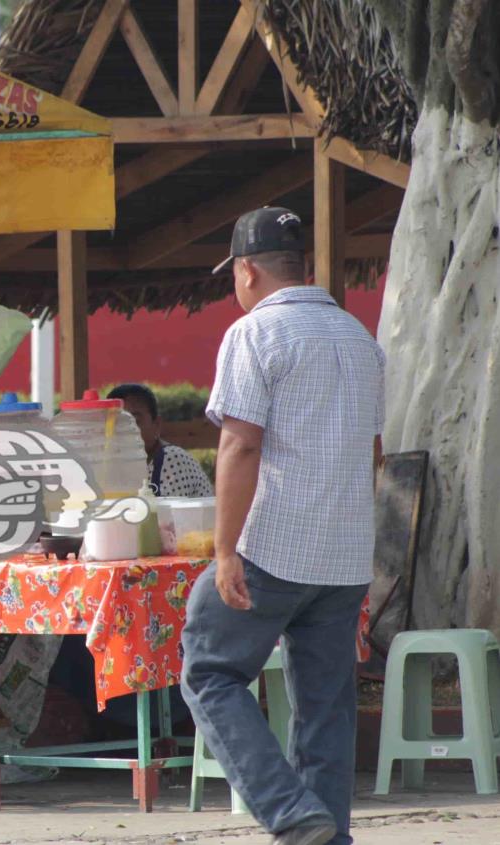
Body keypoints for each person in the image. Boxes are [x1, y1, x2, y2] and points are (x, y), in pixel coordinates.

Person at [179, 207, 384, 845]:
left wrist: (225, 551)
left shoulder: (254, 334)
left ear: (246, 270)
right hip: (346, 552)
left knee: (209, 671)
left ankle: (290, 812)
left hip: (274, 544)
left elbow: (240, 446)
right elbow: (374, 453)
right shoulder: (359, 337)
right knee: (326, 706)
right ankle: (326, 834)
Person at [108, 383, 213, 497]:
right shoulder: (112, 466)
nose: (125, 430)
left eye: (134, 421)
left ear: (156, 425)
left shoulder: (172, 459)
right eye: (117, 422)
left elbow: (166, 514)